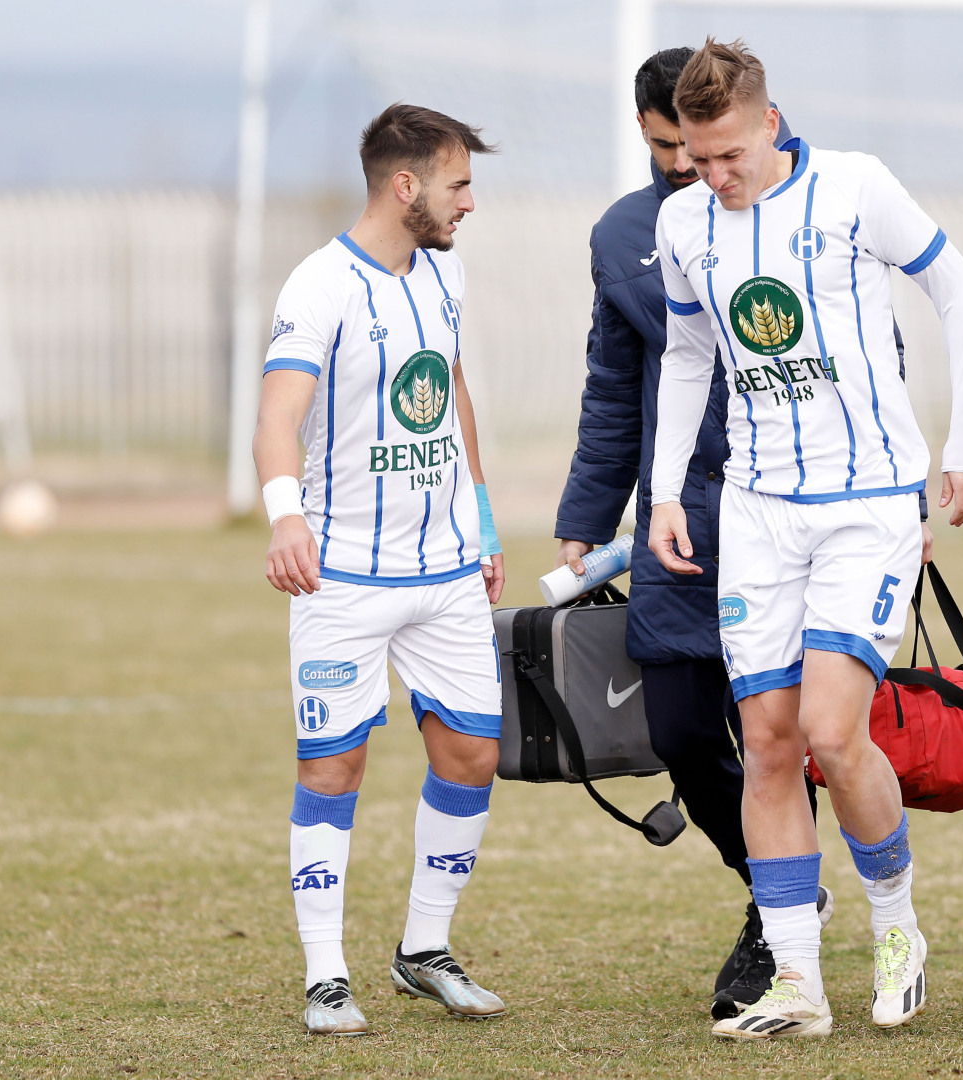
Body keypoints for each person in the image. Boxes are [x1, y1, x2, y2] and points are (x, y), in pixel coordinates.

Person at [646, 38, 963, 1040]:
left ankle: (896, 927)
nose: (712, 178)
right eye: (694, 161)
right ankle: (796, 982)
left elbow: (959, 291)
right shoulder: (683, 224)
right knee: (767, 742)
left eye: (727, 158)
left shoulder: (854, 190)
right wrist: (667, 491)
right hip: (754, 509)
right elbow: (683, 353)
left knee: (835, 737)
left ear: (770, 123)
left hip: (867, 503)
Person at [550, 46, 832, 1021]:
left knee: (781, 729)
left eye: (707, 147)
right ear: (648, 131)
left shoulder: (813, 205)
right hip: (680, 515)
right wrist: (587, 522)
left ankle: (778, 928)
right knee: (678, 727)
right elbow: (615, 386)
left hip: (798, 505)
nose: (695, 166)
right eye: (674, 146)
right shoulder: (629, 232)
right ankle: (774, 885)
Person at [255, 104, 508, 1037]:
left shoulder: (445, 276)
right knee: (334, 765)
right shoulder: (319, 286)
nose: (468, 204)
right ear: (406, 187)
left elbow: (451, 390)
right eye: (458, 184)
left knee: (473, 751)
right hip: (344, 577)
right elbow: (276, 417)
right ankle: (327, 975)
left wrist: (480, 520)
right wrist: (287, 520)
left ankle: (423, 949)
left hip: (445, 572)